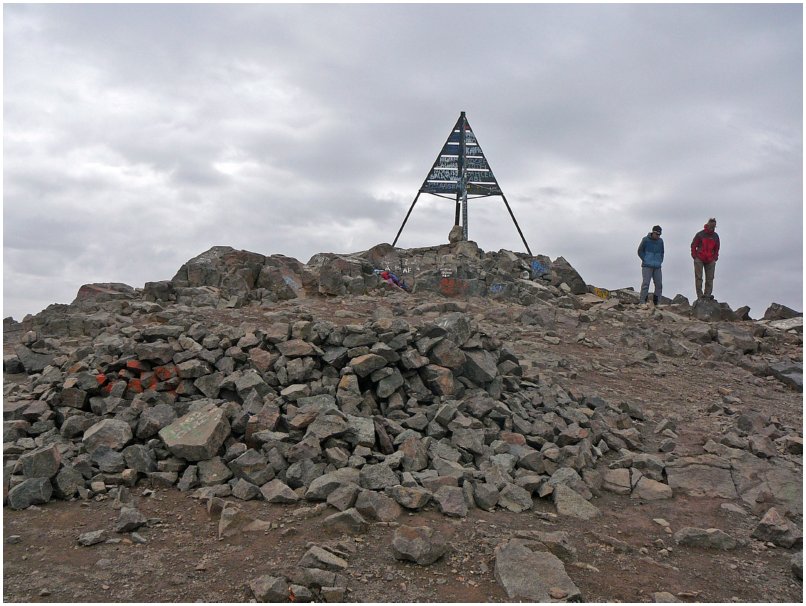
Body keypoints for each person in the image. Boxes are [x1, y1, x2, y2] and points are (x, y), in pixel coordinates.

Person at [691, 217, 720, 300]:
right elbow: (693, 245)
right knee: (699, 278)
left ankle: (707, 295)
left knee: (710, 278)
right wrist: (694, 256)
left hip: (710, 260)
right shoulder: (700, 234)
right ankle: (700, 296)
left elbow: (717, 248)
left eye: (714, 227)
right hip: (699, 258)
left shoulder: (715, 236)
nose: (712, 228)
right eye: (711, 226)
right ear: (707, 225)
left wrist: (715, 257)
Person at [637, 225, 664, 307]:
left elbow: (662, 252)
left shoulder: (661, 241)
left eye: (659, 234)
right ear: (653, 232)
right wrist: (645, 259)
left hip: (657, 266)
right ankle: (642, 302)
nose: (658, 236)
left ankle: (657, 303)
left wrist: (660, 261)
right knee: (646, 284)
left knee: (659, 284)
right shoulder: (645, 240)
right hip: (647, 266)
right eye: (656, 234)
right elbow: (639, 251)